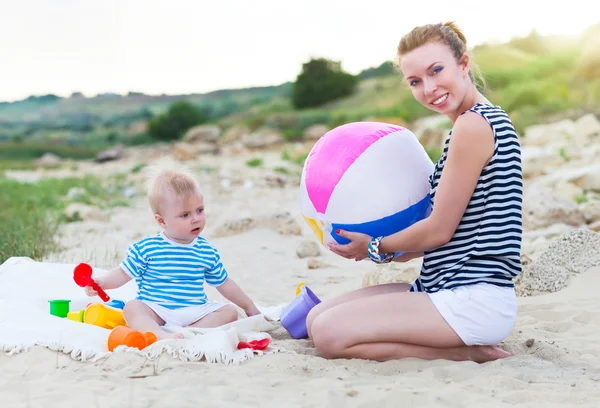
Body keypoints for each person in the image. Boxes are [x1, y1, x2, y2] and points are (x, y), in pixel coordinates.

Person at [306, 21, 523, 363]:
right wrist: (382, 252)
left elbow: (439, 229)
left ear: (463, 64)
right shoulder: (476, 123)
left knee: (329, 335)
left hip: (472, 299)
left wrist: (376, 246)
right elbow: (455, 236)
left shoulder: (473, 126)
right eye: (416, 81)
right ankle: (463, 346)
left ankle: (467, 354)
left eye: (437, 70)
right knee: (316, 319)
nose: (429, 88)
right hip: (444, 285)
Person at [84, 159, 262, 339]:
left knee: (229, 312)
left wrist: (248, 305)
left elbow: (224, 283)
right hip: (157, 309)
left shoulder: (206, 250)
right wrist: (103, 283)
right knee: (133, 308)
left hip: (195, 311)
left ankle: (190, 332)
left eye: (199, 210)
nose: (196, 219)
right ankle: (161, 335)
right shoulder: (147, 248)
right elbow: (123, 273)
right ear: (161, 221)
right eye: (185, 215)